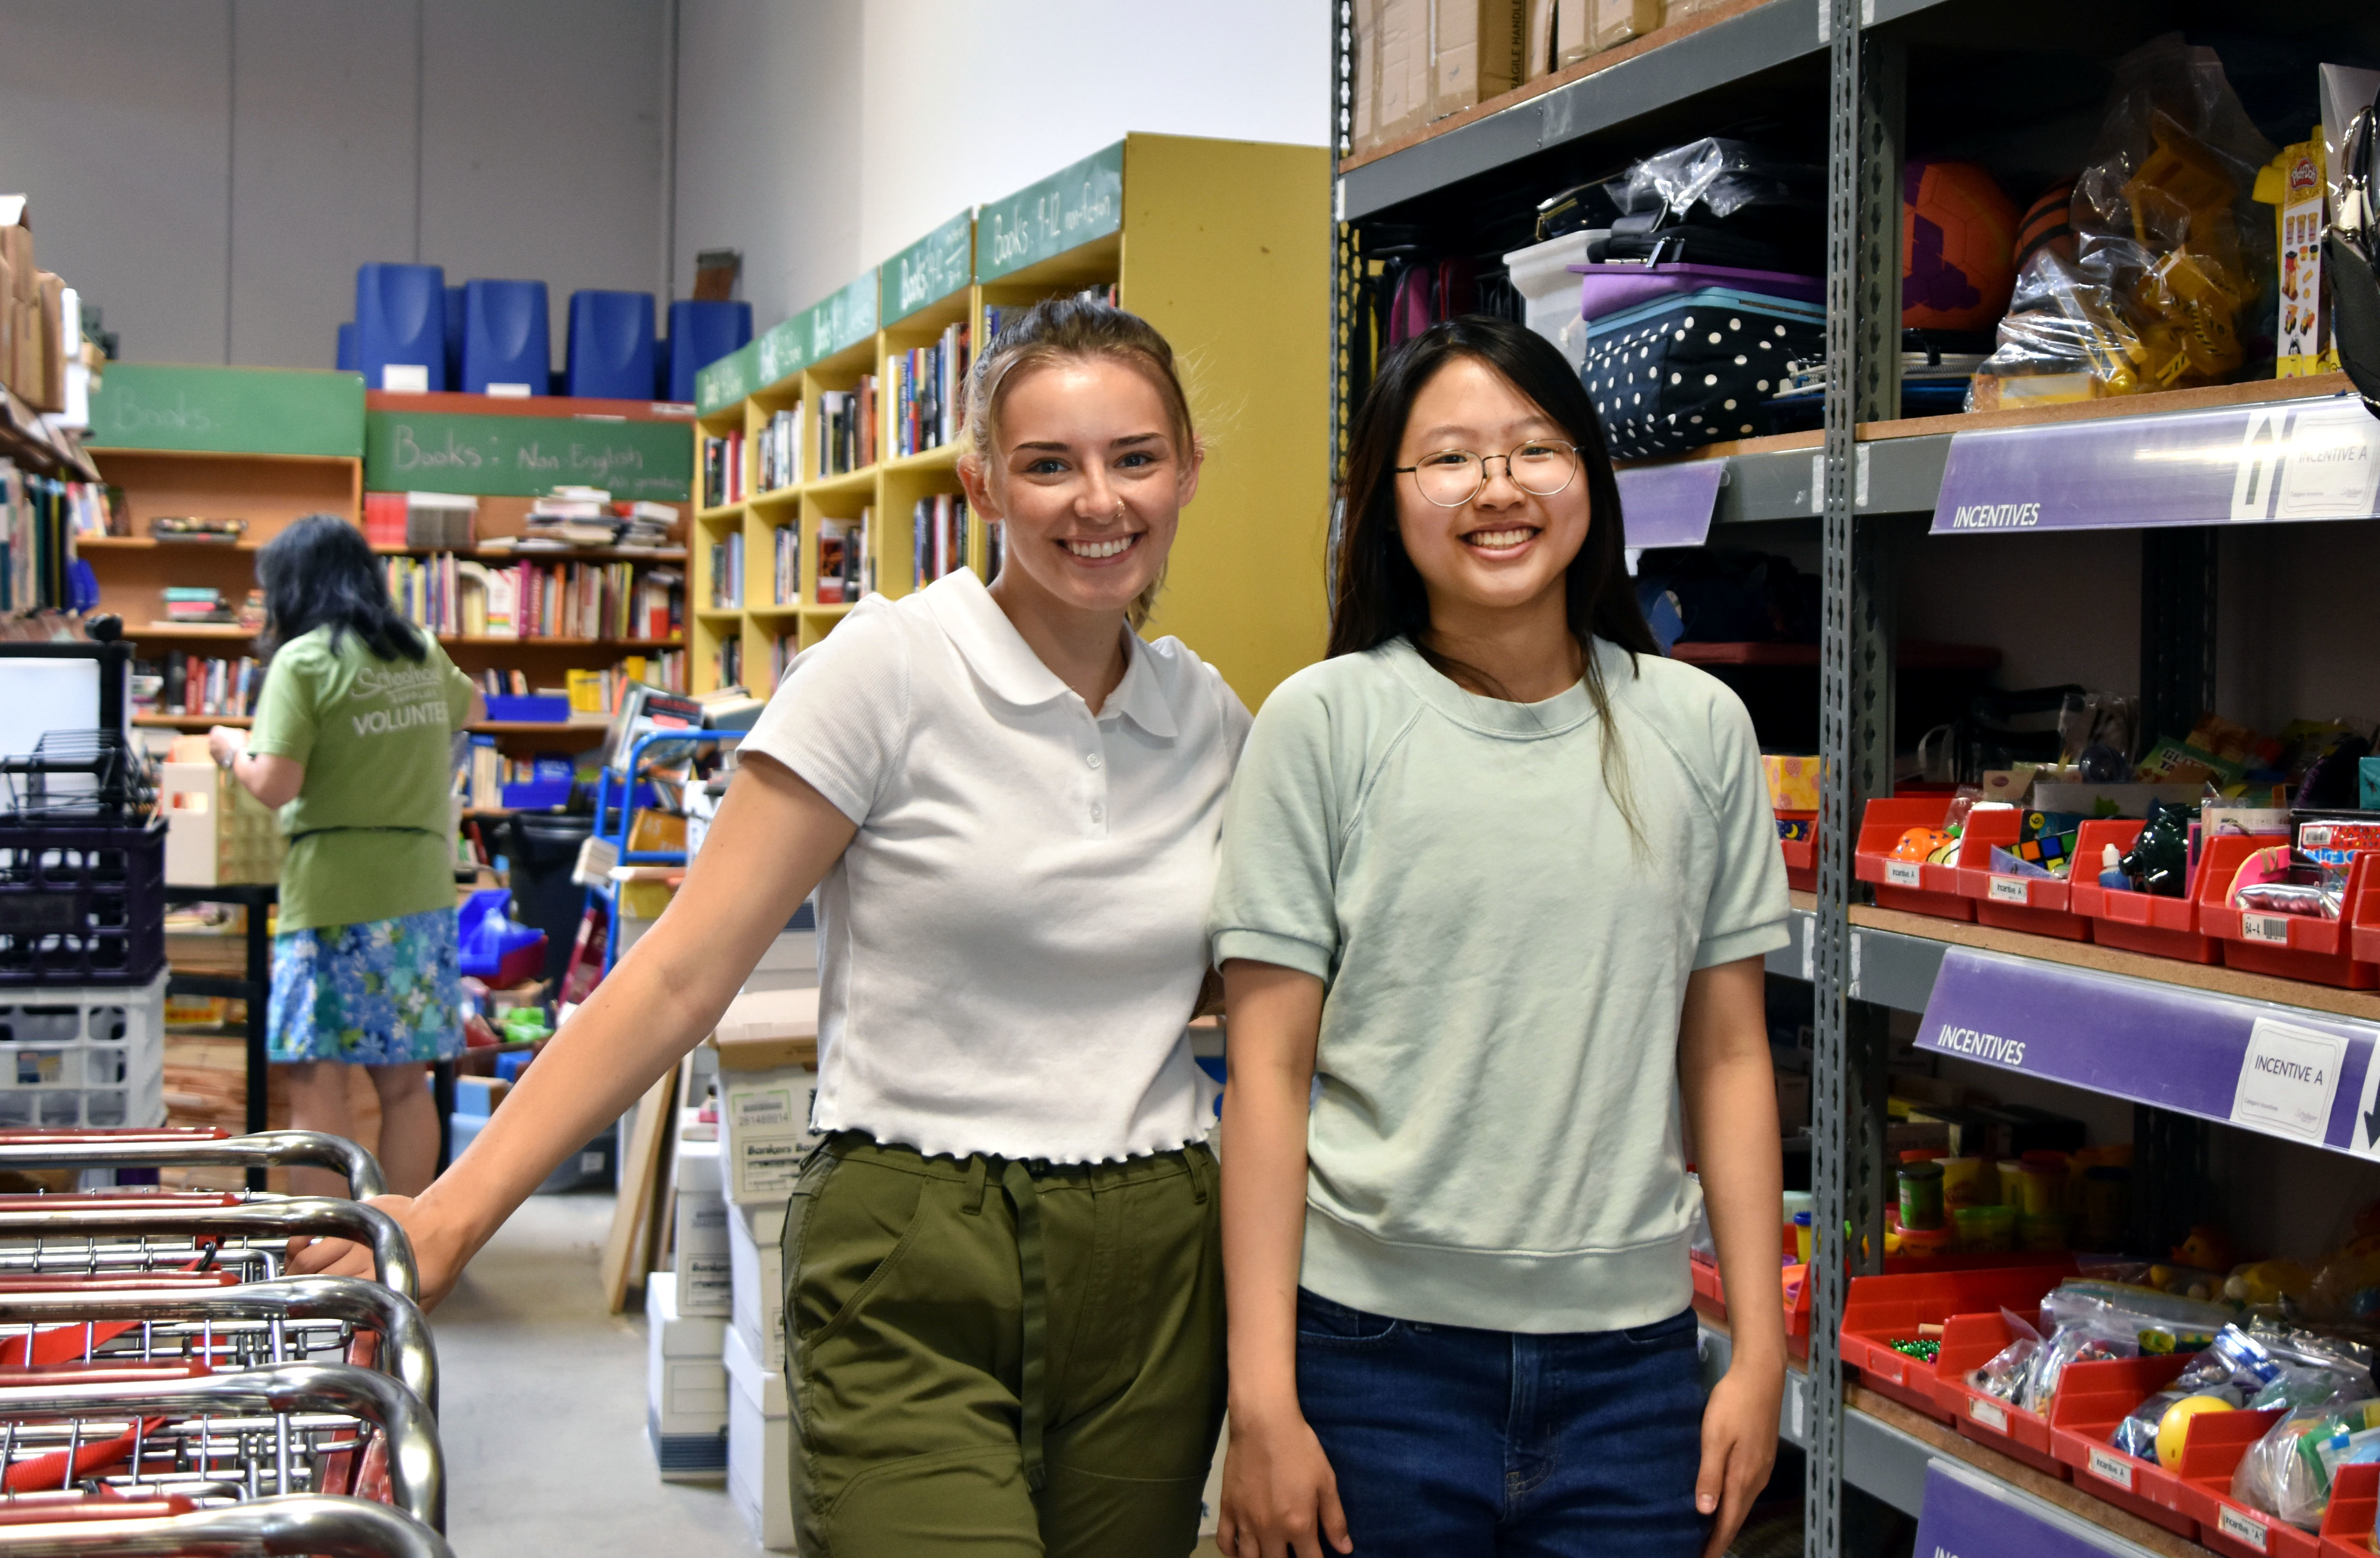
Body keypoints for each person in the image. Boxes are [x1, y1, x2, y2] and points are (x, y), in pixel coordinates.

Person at [296, 299, 1250, 1557]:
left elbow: (1248, 1002)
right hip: (918, 1243)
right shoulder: (889, 671)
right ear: (980, 481)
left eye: (1134, 459)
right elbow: (682, 974)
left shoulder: (1212, 718)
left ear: (1185, 471)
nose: (1099, 501)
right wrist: (452, 1216)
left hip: (1156, 1258)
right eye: (1048, 464)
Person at [1208, 315, 1791, 1558]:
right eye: (1451, 459)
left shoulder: (1698, 727)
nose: (1498, 489)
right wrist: (1261, 1402)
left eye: (1535, 448)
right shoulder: (1324, 725)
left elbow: (1732, 1056)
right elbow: (1267, 1077)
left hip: (1633, 1378)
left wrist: (1756, 1352)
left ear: (1590, 475)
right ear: (1388, 499)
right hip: (1369, 1364)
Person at [210, 514, 483, 1199]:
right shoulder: (418, 647)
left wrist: (228, 751)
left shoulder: (304, 661)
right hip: (419, 893)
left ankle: (323, 1254)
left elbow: (275, 784)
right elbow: (470, 707)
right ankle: (399, 1250)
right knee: (405, 1086)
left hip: (332, 896)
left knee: (315, 1081)